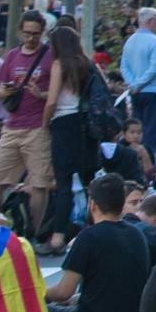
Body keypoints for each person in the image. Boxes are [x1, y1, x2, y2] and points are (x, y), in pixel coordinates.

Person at [44, 175, 149, 312]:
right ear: (122, 204)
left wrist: (39, 292)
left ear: (92, 204)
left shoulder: (89, 236)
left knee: (33, 311)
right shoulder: (137, 234)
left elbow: (63, 292)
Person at [0, 11, 54, 233]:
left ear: (42, 32)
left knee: (39, 183)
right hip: (12, 126)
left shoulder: (49, 55)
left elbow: (58, 93)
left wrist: (41, 94)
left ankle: (33, 232)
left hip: (38, 128)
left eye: (35, 34)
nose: (31, 38)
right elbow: (0, 90)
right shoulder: (12, 56)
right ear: (20, 31)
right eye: (27, 33)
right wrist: (6, 91)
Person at [38, 26, 97, 253]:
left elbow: (53, 101)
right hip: (84, 124)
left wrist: (45, 123)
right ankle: (91, 227)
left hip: (63, 124)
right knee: (85, 179)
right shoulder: (85, 63)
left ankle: (57, 237)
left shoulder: (59, 64)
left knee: (63, 183)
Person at [121, 7, 156, 158]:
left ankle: (138, 160)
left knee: (139, 129)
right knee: (151, 132)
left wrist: (133, 83)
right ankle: (147, 162)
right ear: (151, 21)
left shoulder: (129, 41)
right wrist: (138, 83)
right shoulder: (155, 41)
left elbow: (124, 66)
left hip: (138, 92)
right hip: (154, 91)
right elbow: (155, 67)